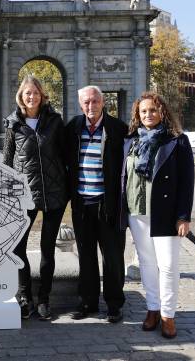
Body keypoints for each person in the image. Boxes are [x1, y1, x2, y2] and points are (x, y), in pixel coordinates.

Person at [121, 91, 194, 338]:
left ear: (162, 112)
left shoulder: (177, 141)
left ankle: (168, 315)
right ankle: (152, 309)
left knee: (168, 266)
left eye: (153, 110)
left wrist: (183, 216)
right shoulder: (131, 141)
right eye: (143, 111)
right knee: (147, 264)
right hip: (137, 212)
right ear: (137, 115)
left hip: (166, 213)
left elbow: (187, 183)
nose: (148, 114)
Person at [3, 75, 68, 321]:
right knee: (18, 247)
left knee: (47, 249)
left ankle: (44, 299)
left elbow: (65, 155)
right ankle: (24, 297)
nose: (32, 97)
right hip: (24, 196)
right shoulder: (12, 124)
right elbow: (7, 161)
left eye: (36, 93)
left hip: (54, 194)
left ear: (42, 96)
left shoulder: (55, 121)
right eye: (27, 93)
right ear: (21, 96)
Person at [64, 85, 128, 323]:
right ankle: (87, 303)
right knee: (86, 256)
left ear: (103, 102)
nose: (91, 106)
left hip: (108, 203)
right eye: (86, 102)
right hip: (82, 203)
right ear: (81, 105)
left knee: (112, 257)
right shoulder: (73, 127)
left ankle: (114, 305)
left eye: (95, 101)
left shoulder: (118, 128)